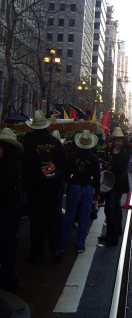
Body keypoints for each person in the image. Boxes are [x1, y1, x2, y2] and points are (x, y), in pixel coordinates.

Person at [22, 110, 66, 263]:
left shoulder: (28, 144)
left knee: (36, 221)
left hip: (35, 189)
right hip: (52, 188)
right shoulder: (55, 142)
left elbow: (25, 168)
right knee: (53, 218)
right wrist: (58, 179)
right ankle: (56, 249)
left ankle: (37, 252)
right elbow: (63, 164)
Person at [61, 130, 100, 253]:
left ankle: (62, 243)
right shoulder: (94, 159)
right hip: (87, 188)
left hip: (74, 187)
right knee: (84, 217)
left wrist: (71, 180)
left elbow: (65, 172)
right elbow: (97, 177)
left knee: (69, 215)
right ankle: (80, 244)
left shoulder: (72, 156)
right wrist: (97, 192)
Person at [0, 128, 24, 292]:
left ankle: (7, 279)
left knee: (6, 245)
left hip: (5, 210)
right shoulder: (16, 164)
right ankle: (9, 279)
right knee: (10, 246)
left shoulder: (7, 167)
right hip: (13, 208)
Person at [99, 127, 130, 246]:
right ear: (113, 141)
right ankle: (115, 230)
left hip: (117, 184)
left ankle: (113, 236)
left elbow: (120, 167)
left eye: (121, 141)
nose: (119, 143)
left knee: (112, 209)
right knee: (113, 208)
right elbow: (110, 165)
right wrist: (106, 163)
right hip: (109, 183)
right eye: (117, 140)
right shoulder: (110, 149)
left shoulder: (123, 152)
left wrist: (115, 157)